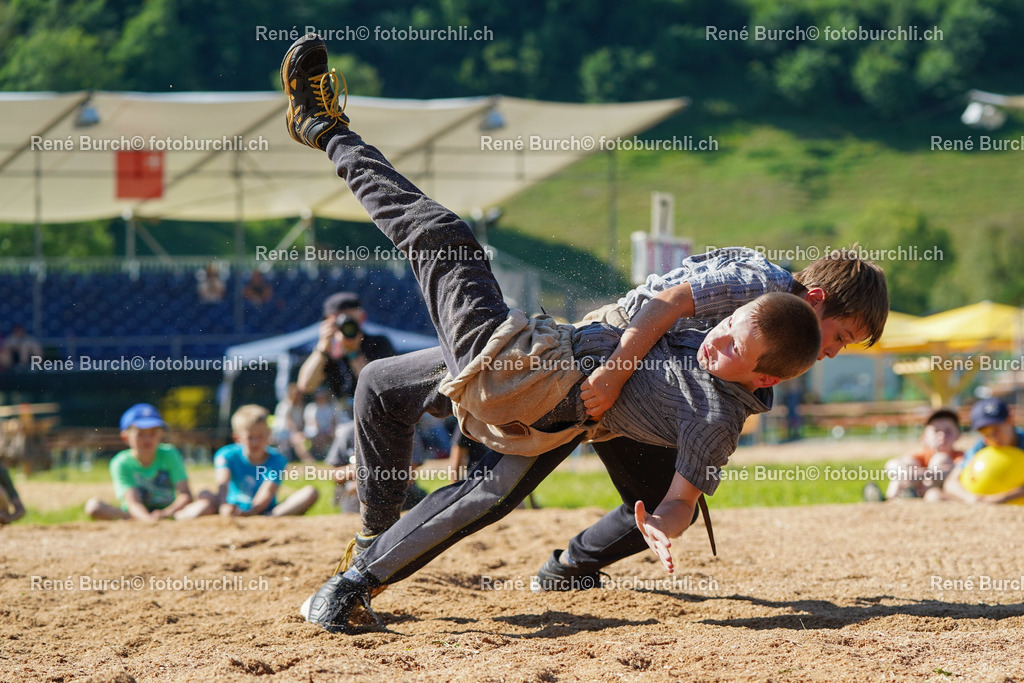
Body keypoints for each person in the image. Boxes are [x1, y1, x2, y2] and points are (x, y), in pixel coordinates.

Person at [278, 34, 823, 632]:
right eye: (727, 325)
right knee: (402, 409)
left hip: (524, 374)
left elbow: (680, 500)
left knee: (442, 237)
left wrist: (659, 528)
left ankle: (326, 130)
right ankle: (363, 561)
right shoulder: (715, 335)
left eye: (736, 345)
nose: (718, 338)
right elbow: (674, 302)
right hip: (543, 360)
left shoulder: (716, 417)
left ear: (763, 378)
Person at [84, 404, 215, 521]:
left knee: (206, 501)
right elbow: (133, 502)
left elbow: (185, 495)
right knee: (94, 506)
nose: (147, 439)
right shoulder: (121, 462)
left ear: (161, 434)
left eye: (153, 433)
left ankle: (153, 520)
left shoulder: (170, 453)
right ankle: (141, 519)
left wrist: (166, 513)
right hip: (135, 513)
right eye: (140, 434)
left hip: (169, 511)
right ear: (125, 437)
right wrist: (149, 519)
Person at [214, 404, 319, 517]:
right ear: (237, 438)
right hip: (233, 507)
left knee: (310, 492)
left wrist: (251, 511)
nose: (255, 442)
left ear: (269, 433)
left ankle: (268, 517)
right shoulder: (226, 455)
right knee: (205, 496)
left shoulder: (278, 459)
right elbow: (222, 484)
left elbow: (268, 491)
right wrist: (224, 505)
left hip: (266, 509)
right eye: (250, 437)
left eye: (260, 436)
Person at [863, 408, 963, 502]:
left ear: (958, 434)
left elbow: (956, 470)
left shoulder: (959, 457)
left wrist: (921, 474)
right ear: (925, 436)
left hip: (935, 494)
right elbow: (891, 465)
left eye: (948, 431)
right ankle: (891, 498)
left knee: (941, 459)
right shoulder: (923, 455)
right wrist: (907, 473)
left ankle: (904, 497)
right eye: (936, 431)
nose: (942, 435)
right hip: (917, 489)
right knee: (906, 464)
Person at [942, 398, 1024, 504]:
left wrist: (1000, 498)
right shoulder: (981, 447)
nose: (993, 437)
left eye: (996, 430)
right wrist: (972, 498)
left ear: (1010, 421)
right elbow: (950, 483)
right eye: (985, 433)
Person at [273, 382, 313, 463]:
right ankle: (307, 459)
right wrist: (297, 432)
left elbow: (302, 421)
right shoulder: (285, 405)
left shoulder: (300, 406)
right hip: (283, 432)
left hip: (294, 432)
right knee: (298, 440)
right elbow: (288, 422)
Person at [303, 387, 344, 459]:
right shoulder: (311, 407)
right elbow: (310, 421)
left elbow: (334, 421)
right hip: (314, 430)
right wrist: (320, 431)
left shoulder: (331, 407)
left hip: (327, 430)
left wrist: (331, 430)